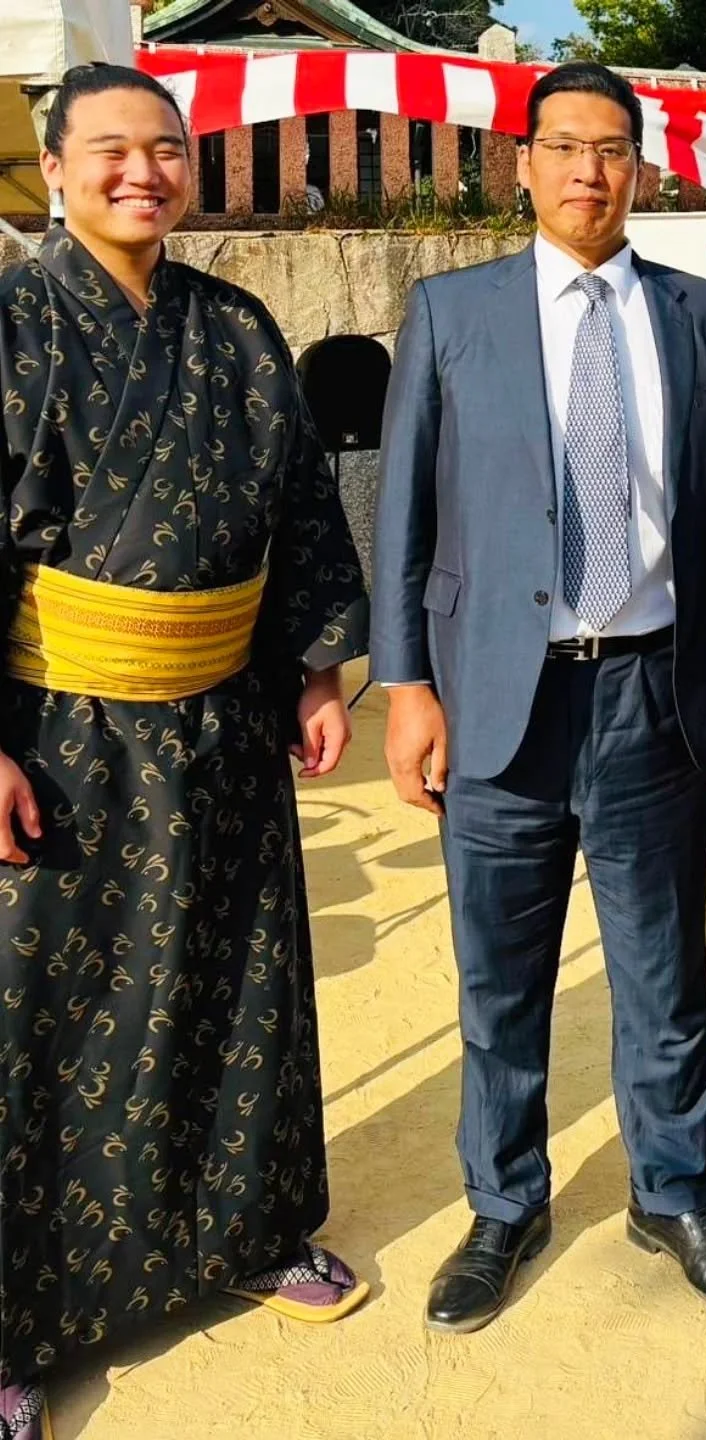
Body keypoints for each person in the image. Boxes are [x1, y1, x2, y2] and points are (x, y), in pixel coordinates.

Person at [371, 61, 706, 1334]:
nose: (588, 171)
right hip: (498, 698)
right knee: (501, 981)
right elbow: (405, 514)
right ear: (524, 165)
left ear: (639, 168)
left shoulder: (701, 315)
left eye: (612, 149)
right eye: (564, 147)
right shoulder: (452, 312)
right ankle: (503, 1202)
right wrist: (406, 685)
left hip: (652, 691)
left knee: (665, 970)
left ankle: (674, 1192)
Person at [0, 64, 370, 1440]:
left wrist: (314, 669)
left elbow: (298, 506)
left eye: (167, 148)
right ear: (54, 165)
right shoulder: (12, 321)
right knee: (43, 1018)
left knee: (237, 985)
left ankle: (250, 1235)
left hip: (222, 720)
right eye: (113, 150)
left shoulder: (236, 327)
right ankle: (15, 1321)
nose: (143, 171)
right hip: (60, 727)